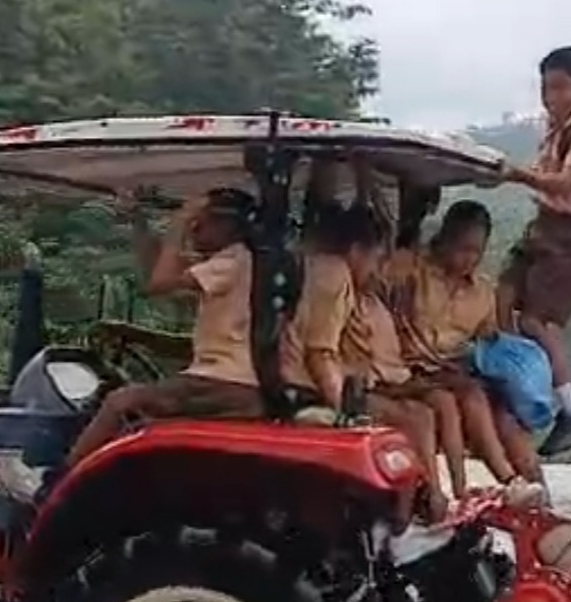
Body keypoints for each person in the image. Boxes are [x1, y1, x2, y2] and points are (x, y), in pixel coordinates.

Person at [62, 188, 265, 469]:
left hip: (223, 384)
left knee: (119, 403)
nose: (194, 230)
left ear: (228, 225)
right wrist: (139, 220)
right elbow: (157, 274)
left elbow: (159, 283)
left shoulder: (232, 262)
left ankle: (58, 479)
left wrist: (179, 222)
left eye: (200, 222)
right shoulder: (235, 266)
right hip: (232, 383)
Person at [290, 204, 451, 522]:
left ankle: (425, 497)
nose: (377, 269)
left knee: (418, 414)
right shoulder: (334, 275)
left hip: (317, 380)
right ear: (356, 251)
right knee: (409, 420)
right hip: (304, 386)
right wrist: (346, 412)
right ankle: (404, 518)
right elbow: (320, 353)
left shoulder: (327, 272)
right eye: (376, 259)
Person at [500, 45, 571, 458]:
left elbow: (565, 183)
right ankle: (512, 382)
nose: (551, 98)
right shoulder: (556, 128)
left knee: (539, 320)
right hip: (543, 227)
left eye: (561, 88)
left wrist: (515, 174)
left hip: (569, 237)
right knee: (502, 296)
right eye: (546, 88)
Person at [387, 201, 540, 495]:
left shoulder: (483, 292)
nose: (470, 258)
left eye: (477, 252)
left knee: (503, 416)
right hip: (410, 369)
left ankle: (532, 494)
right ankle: (494, 481)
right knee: (469, 397)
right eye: (463, 248)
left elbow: (490, 344)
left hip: (455, 371)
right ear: (444, 239)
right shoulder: (411, 271)